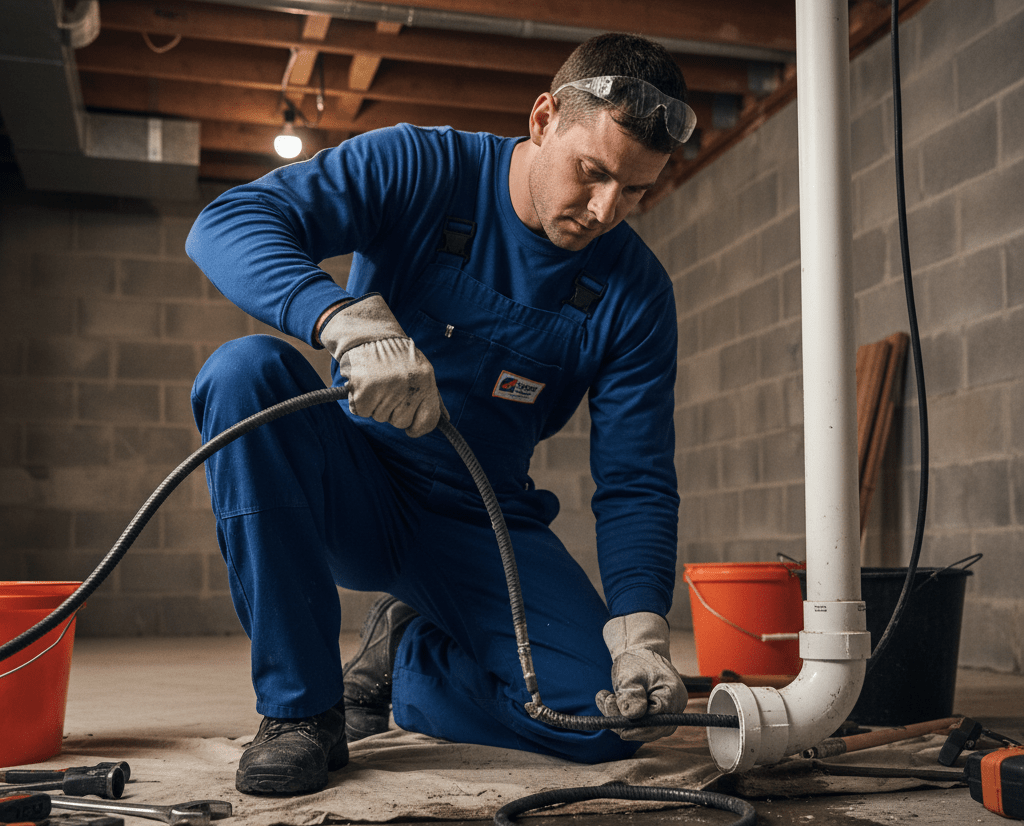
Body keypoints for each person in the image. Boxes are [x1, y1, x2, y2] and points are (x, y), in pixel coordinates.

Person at [186, 32, 695, 796]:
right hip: (351, 489)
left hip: (481, 517)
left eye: (637, 192)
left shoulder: (637, 294)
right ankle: (302, 712)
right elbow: (225, 222)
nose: (605, 210)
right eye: (592, 174)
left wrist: (640, 634)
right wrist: (342, 321)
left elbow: (636, 480)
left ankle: (412, 657)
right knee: (244, 372)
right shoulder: (423, 166)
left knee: (600, 726)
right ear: (543, 118)